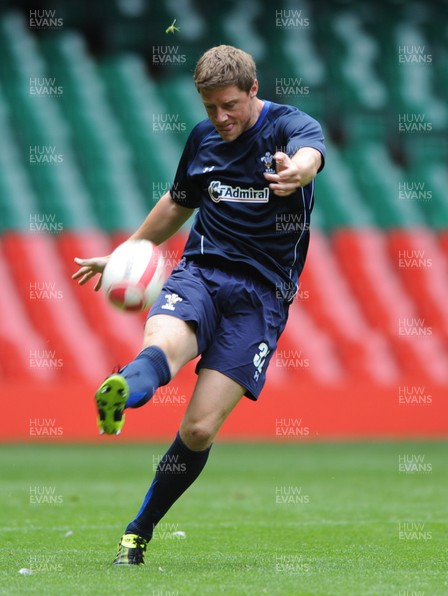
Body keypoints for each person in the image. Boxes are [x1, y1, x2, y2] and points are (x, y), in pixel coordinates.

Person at [72, 45, 325, 566]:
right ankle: (121, 390)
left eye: (229, 104)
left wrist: (298, 172)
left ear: (254, 90)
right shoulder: (203, 138)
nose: (220, 117)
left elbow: (310, 153)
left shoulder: (290, 127)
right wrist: (129, 251)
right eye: (210, 107)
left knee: (198, 429)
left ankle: (137, 533)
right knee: (162, 346)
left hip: (262, 295)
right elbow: (178, 202)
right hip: (201, 272)